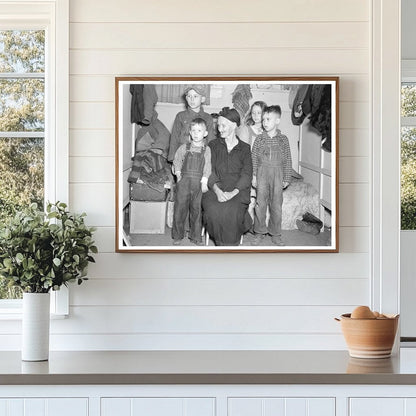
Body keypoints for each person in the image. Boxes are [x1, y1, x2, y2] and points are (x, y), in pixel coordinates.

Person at [202, 107, 253, 246]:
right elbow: (208, 171)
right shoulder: (212, 145)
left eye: (223, 125)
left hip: (238, 190)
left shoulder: (245, 148)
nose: (220, 129)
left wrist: (233, 193)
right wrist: (218, 191)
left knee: (233, 211)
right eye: (218, 125)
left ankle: (228, 248)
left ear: (234, 125)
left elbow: (247, 174)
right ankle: (224, 247)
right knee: (213, 210)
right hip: (215, 187)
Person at [251, 105, 292, 246]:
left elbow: (288, 159)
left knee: (276, 206)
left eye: (268, 119)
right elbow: (254, 159)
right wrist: (254, 176)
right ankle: (259, 232)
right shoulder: (259, 139)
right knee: (260, 204)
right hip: (262, 173)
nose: (265, 122)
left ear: (277, 120)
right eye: (263, 120)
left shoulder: (283, 140)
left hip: (278, 174)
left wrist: (287, 178)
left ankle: (276, 233)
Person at [171, 118, 211, 245]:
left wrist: (205, 181)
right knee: (179, 209)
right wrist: (178, 174)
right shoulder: (184, 147)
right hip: (184, 182)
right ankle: (178, 235)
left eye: (199, 130)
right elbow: (177, 161)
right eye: (193, 130)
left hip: (198, 184)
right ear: (190, 132)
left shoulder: (207, 150)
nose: (196, 133)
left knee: (197, 210)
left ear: (205, 133)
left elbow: (208, 166)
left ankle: (195, 237)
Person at [167, 85, 215, 162]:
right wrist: (173, 158)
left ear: (202, 99)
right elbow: (174, 138)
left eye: (195, 96)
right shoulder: (181, 116)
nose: (192, 99)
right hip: (183, 155)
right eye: (189, 96)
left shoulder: (208, 118)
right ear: (186, 98)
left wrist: (211, 160)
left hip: (200, 157)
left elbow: (211, 140)